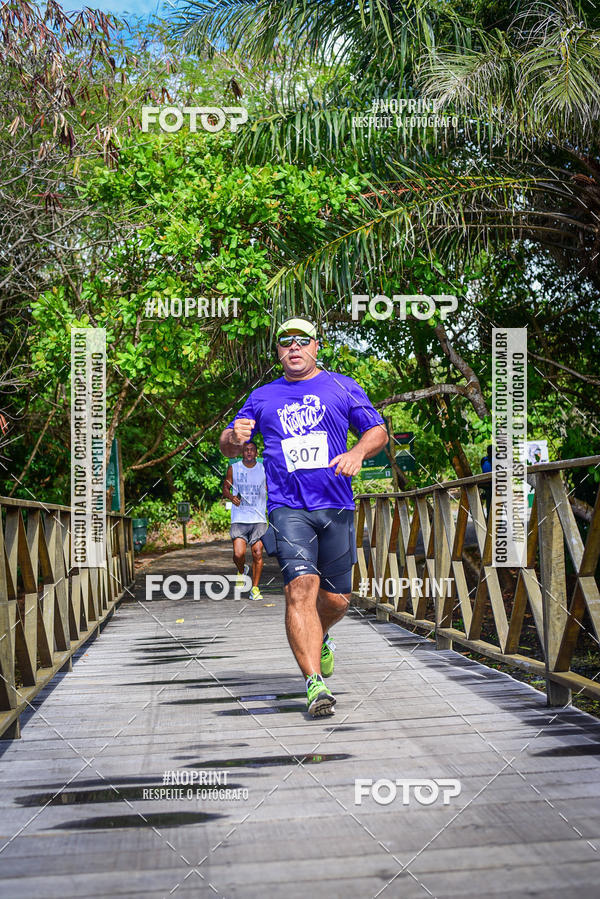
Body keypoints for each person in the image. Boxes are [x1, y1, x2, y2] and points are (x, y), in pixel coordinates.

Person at [219, 318, 388, 717]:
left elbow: (377, 431)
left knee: (337, 600)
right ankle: (315, 685)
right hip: (287, 507)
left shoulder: (342, 386)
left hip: (336, 505)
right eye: (285, 342)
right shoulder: (262, 396)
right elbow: (228, 445)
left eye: (302, 340)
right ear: (277, 351)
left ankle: (321, 635)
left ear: (316, 346)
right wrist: (233, 438)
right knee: (301, 589)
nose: (293, 347)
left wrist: (358, 453)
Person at [222, 441, 268, 601]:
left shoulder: (264, 469)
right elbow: (225, 488)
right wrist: (231, 497)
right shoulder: (234, 468)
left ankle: (254, 589)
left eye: (252, 450)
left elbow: (272, 488)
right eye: (246, 450)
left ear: (256, 453)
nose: (249, 452)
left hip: (258, 518)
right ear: (242, 452)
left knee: (257, 553)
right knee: (238, 554)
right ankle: (242, 570)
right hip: (240, 518)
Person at [480, 444, 492, 519]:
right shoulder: (484, 460)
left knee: (490, 506)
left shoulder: (484, 460)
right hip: (489, 485)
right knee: (490, 506)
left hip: (489, 485)